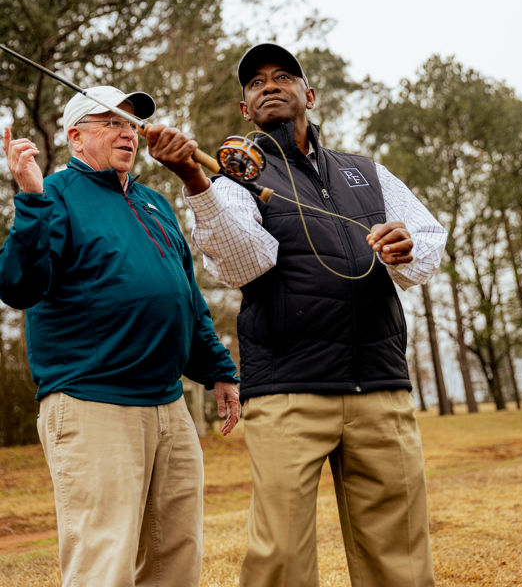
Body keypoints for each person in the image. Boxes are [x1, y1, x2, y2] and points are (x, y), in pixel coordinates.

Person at [147, 43, 448, 587]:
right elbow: (244, 264)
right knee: (280, 560)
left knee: (400, 558)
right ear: (245, 110)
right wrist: (196, 182)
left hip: (380, 388)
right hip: (288, 391)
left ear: (308, 94)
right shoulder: (231, 181)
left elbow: (428, 242)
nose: (269, 86)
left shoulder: (366, 172)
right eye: (256, 83)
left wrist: (407, 247)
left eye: (283, 76)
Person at [0, 85, 240, 587]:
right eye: (110, 122)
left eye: (130, 124)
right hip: (93, 402)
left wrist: (218, 369)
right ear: (75, 137)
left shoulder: (154, 203)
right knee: (104, 562)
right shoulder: (54, 194)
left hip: (168, 407)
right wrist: (29, 196)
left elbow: (186, 296)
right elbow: (19, 285)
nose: (127, 132)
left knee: (176, 556)